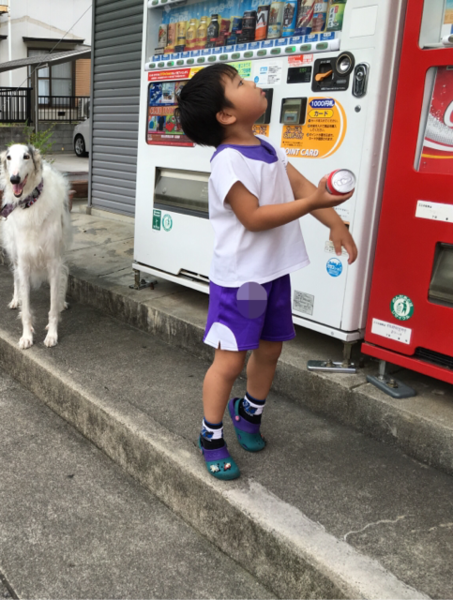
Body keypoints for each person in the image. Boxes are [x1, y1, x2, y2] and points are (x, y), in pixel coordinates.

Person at [175, 64, 358, 480]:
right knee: (230, 360)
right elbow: (253, 218)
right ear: (226, 115)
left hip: (274, 274)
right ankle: (210, 435)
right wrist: (313, 205)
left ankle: (248, 413)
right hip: (244, 282)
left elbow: (305, 189)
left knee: (271, 349)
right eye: (240, 83)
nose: (253, 83)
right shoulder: (229, 161)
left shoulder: (268, 148)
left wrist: (335, 223)